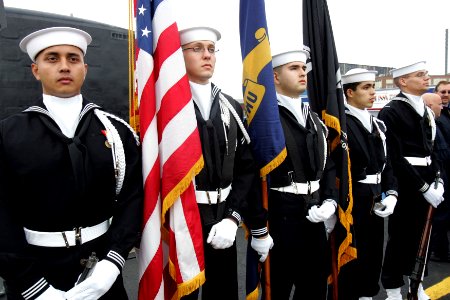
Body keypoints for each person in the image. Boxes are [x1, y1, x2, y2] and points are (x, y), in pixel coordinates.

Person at [0, 27, 143, 300]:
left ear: (85, 68)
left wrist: (113, 262)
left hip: (101, 271)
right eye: (52, 58)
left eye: (73, 59)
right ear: (35, 70)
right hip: (36, 273)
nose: (64, 66)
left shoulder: (117, 131)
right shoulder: (8, 135)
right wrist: (33, 286)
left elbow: (132, 198)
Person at [178, 26, 271, 300]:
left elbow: (246, 170)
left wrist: (233, 219)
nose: (207, 55)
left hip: (223, 219)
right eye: (196, 49)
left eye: (211, 49)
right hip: (183, 223)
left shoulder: (231, 107)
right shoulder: (168, 109)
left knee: (224, 292)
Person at [262, 49, 337, 299]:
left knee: (314, 287)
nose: (302, 73)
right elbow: (252, 175)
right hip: (281, 215)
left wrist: (330, 200)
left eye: (303, 68)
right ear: (275, 76)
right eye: (294, 68)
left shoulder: (315, 120)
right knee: (278, 288)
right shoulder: (264, 119)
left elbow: (327, 166)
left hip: (314, 214)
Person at [378, 62, 444, 300]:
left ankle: (417, 284)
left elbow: (433, 148)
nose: (426, 78)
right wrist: (423, 187)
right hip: (406, 183)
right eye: (419, 75)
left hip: (427, 179)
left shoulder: (426, 110)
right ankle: (393, 289)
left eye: (426, 74)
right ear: (402, 81)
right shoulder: (391, 110)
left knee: (422, 235)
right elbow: (394, 156)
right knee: (400, 238)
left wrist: (437, 180)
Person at [339, 68, 398, 300]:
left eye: (373, 87)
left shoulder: (378, 126)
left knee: (373, 253)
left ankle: (367, 294)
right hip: (353, 198)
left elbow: (389, 164)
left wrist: (392, 192)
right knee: (351, 255)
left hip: (375, 196)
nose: (373, 92)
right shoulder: (341, 125)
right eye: (366, 87)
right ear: (350, 92)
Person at [429, 82, 450, 263]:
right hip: (441, 172)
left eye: (449, 92)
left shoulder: (446, 115)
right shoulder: (436, 119)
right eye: (442, 92)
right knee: (441, 215)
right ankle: (439, 250)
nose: (446, 94)